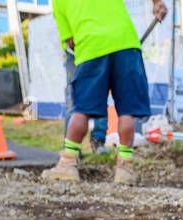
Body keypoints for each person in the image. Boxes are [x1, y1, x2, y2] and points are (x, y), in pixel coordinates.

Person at [44, 0, 168, 184]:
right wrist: (157, 3)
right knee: (127, 112)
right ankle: (125, 169)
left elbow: (71, 41)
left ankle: (67, 164)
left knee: (82, 109)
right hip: (126, 44)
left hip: (92, 47)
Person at [64, 45, 109, 155]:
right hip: (75, 50)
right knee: (73, 99)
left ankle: (98, 140)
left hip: (98, 48)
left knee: (100, 94)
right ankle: (72, 148)